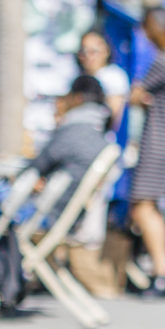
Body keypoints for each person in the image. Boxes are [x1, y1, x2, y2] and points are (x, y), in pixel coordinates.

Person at [127, 7, 165, 300]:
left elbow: (135, 95)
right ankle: (159, 273)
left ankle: (160, 273)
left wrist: (140, 97)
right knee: (151, 206)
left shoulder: (162, 62)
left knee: (142, 206)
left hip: (154, 140)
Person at [26, 75, 115, 227]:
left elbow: (35, 167)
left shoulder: (72, 131)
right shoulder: (98, 134)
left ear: (78, 98)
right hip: (68, 215)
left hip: (46, 213)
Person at [77, 29, 130, 130]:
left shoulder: (114, 76)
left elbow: (113, 116)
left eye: (93, 52)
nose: (88, 56)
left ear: (106, 51)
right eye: (83, 52)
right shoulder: (77, 75)